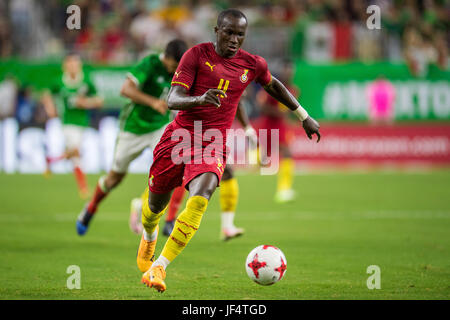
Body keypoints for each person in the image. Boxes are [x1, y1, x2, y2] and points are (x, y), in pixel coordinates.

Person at [137, 9, 321, 293]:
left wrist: (303, 115)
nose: (235, 39)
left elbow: (274, 86)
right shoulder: (195, 55)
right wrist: (200, 98)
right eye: (229, 33)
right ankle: (149, 236)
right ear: (216, 30)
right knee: (154, 209)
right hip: (179, 138)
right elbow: (173, 98)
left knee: (201, 198)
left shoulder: (253, 64)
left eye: (240, 35)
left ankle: (160, 266)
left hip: (213, 143)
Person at [76, 39, 188, 235]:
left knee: (177, 167)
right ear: (166, 58)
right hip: (133, 128)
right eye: (173, 66)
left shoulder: (180, 70)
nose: (174, 71)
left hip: (159, 128)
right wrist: (153, 103)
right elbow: (125, 89)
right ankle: (91, 207)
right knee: (114, 178)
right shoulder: (150, 64)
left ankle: (169, 221)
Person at [130, 101, 257, 241]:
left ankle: (227, 226)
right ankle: (155, 211)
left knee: (226, 170)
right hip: (188, 126)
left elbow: (237, 101)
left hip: (210, 131)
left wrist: (247, 129)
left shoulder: (236, 82)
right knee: (178, 173)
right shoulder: (203, 80)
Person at [41, 54, 104, 198]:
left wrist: (86, 103)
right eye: (70, 64)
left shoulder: (86, 81)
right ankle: (83, 188)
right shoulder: (59, 81)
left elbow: (99, 100)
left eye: (76, 64)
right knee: (76, 152)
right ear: (65, 66)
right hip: (67, 123)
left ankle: (52, 160)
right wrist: (50, 108)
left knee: (75, 153)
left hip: (82, 122)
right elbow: (46, 94)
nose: (73, 66)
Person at [256, 59, 298, 203]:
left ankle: (284, 189)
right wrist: (279, 113)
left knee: (285, 153)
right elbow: (262, 108)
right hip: (269, 125)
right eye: (286, 71)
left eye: (290, 71)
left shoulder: (294, 90)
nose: (289, 73)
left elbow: (291, 110)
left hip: (280, 126)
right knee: (264, 159)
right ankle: (282, 189)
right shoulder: (273, 87)